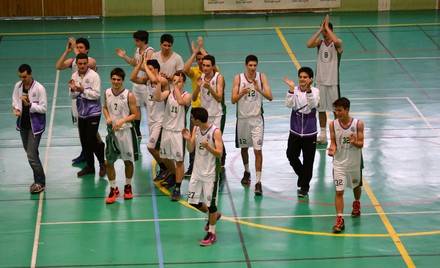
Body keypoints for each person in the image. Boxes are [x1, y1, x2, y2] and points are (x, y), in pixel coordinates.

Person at [231, 55, 273, 196]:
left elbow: (270, 97)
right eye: (250, 65)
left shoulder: (262, 77)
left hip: (256, 120)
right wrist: (241, 93)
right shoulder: (238, 78)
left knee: (257, 150)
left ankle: (258, 182)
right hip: (242, 119)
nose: (253, 68)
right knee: (244, 149)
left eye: (255, 65)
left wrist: (258, 89)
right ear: (246, 65)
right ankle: (247, 171)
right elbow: (232, 100)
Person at [182, 107, 223, 246]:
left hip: (210, 174)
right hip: (197, 172)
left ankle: (212, 233)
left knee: (211, 205)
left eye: (193, 118)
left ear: (198, 119)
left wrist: (209, 147)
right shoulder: (196, 129)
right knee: (192, 201)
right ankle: (214, 216)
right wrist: (188, 140)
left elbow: (219, 153)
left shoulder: (215, 132)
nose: (191, 120)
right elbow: (191, 149)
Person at [55, 37, 97, 164]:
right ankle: (85, 152)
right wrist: (67, 51)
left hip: (89, 98)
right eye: (77, 47)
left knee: (91, 129)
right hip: (76, 99)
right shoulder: (73, 60)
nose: (78, 49)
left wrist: (74, 48)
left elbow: (84, 60)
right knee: (80, 127)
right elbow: (58, 66)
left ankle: (98, 149)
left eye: (81, 47)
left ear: (87, 50)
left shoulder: (90, 61)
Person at [327, 97, 364, 233]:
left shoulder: (358, 124)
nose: (337, 113)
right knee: (339, 191)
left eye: (340, 110)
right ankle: (340, 219)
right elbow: (333, 142)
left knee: (356, 187)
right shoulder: (332, 125)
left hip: (354, 163)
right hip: (339, 164)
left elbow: (361, 144)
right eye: (336, 110)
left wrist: (354, 142)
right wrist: (332, 149)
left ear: (347, 110)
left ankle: (356, 203)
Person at [103, 68, 139, 204]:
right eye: (113, 79)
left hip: (126, 132)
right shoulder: (107, 92)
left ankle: (128, 186)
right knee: (109, 162)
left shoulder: (129, 95)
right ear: (111, 79)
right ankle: (113, 189)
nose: (116, 82)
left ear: (122, 81)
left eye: (118, 79)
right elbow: (105, 107)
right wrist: (107, 118)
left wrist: (122, 120)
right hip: (112, 133)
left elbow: (135, 114)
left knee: (127, 161)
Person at [154, 71, 191, 201]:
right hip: (167, 130)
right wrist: (158, 83)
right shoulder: (168, 93)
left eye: (179, 81)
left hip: (178, 132)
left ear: (184, 82)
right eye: (174, 80)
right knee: (164, 157)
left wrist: (174, 85)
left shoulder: (187, 95)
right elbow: (157, 97)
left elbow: (181, 101)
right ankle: (175, 176)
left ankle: (177, 187)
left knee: (179, 161)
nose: (176, 83)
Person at [306, 14, 343, 144]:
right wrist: (320, 30)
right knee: (320, 109)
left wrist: (327, 27)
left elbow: (337, 41)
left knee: (336, 110)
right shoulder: (319, 43)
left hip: (333, 82)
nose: (324, 34)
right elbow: (308, 44)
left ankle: (337, 134)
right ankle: (323, 135)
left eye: (326, 32)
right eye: (323, 32)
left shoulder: (337, 44)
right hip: (320, 82)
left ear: (331, 31)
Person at [283, 66, 319, 198]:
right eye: (300, 77)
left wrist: (308, 90)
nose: (302, 79)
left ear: (310, 79)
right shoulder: (295, 90)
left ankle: (304, 187)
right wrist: (291, 90)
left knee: (308, 160)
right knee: (291, 155)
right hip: (295, 131)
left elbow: (312, 104)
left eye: (305, 77)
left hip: (310, 133)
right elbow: (288, 104)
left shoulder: (315, 91)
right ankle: (303, 176)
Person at [130, 59, 168, 181]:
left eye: (151, 69)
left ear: (157, 69)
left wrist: (145, 66)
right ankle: (166, 170)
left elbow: (155, 80)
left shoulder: (162, 80)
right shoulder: (147, 81)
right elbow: (133, 77)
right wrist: (140, 64)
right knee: (157, 148)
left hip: (160, 120)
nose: (148, 72)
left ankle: (165, 168)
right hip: (151, 121)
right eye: (147, 70)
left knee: (151, 147)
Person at [69, 53, 106, 177]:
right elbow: (72, 95)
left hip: (93, 112)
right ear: (77, 64)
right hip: (81, 113)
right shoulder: (74, 75)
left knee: (91, 139)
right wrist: (74, 91)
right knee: (84, 141)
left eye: (85, 63)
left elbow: (96, 95)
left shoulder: (94, 76)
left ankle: (102, 164)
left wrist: (82, 90)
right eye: (80, 64)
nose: (83, 66)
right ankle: (90, 167)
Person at [12, 64, 47, 193]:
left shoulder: (39, 88)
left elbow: (43, 108)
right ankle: (37, 178)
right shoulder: (18, 86)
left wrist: (30, 105)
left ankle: (40, 182)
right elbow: (15, 100)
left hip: (35, 126)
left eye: (25, 76)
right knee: (31, 153)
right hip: (23, 125)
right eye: (21, 77)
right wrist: (16, 109)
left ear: (30, 74)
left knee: (31, 155)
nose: (23, 79)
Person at [116, 30, 154, 140]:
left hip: (146, 84)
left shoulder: (150, 51)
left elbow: (149, 68)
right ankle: (137, 132)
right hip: (137, 84)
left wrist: (138, 65)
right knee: (136, 109)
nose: (135, 42)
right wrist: (124, 56)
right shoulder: (138, 50)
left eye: (137, 40)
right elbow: (134, 63)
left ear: (143, 40)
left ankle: (153, 133)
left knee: (150, 110)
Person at [183, 37, 207, 176]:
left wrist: (201, 48)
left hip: (209, 110)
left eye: (202, 59)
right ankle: (192, 166)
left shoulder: (210, 71)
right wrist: (195, 53)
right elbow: (185, 69)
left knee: (210, 137)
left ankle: (218, 163)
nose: (200, 61)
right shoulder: (194, 72)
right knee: (193, 137)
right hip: (196, 109)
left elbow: (213, 64)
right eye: (198, 59)